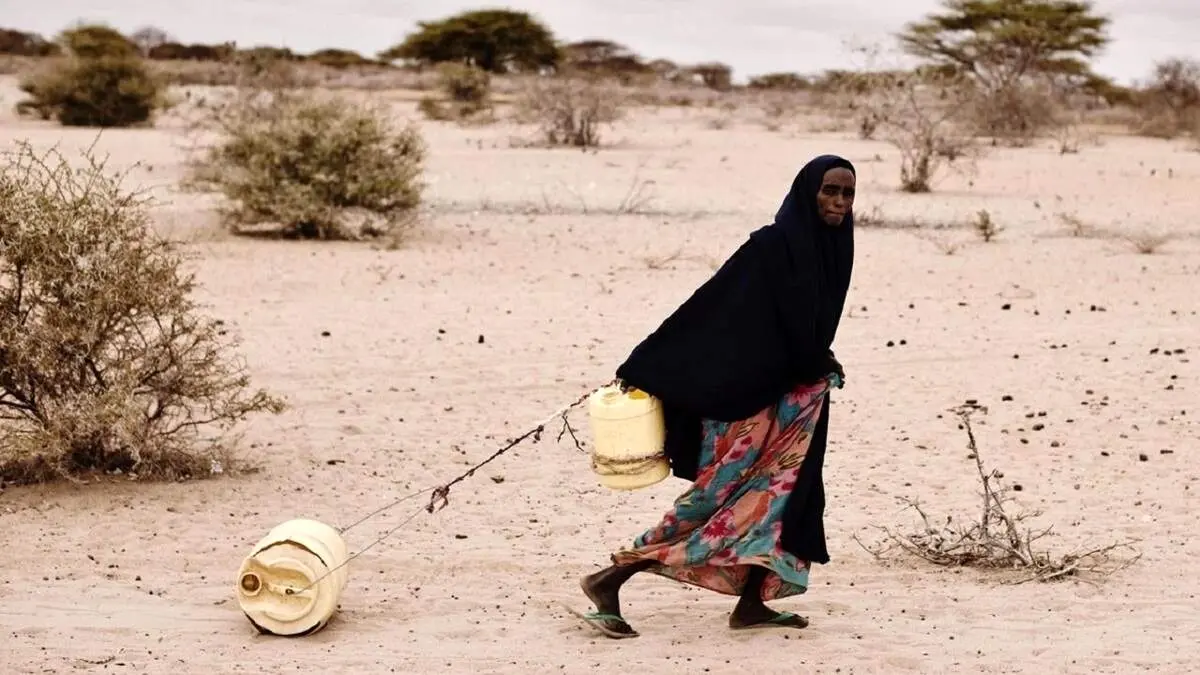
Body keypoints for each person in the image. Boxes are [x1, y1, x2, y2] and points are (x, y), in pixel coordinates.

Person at [575, 154, 856, 638]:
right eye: (830, 190)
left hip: (797, 401)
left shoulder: (835, 247)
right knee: (719, 500)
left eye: (848, 194)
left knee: (789, 500)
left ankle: (752, 604)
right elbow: (710, 309)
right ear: (808, 190)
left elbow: (807, 331)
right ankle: (611, 577)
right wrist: (645, 364)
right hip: (747, 401)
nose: (838, 202)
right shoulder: (770, 246)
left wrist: (820, 363)